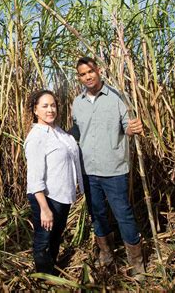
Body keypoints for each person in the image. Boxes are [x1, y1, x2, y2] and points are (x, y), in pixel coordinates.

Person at [70, 57, 145, 279]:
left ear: (99, 70)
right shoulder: (78, 102)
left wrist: (134, 128)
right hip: (88, 170)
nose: (88, 77)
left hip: (114, 169)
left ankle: (136, 263)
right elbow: (77, 131)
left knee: (123, 214)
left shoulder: (117, 97)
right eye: (83, 74)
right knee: (97, 214)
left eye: (90, 71)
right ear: (80, 77)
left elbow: (127, 128)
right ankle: (106, 255)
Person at [24, 89, 84, 275]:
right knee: (43, 241)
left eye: (53, 105)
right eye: (45, 106)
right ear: (35, 110)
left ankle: (53, 271)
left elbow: (73, 141)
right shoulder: (36, 137)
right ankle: (44, 278)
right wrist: (44, 208)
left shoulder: (58, 132)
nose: (50, 110)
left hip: (62, 196)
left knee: (55, 238)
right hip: (46, 197)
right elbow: (34, 178)